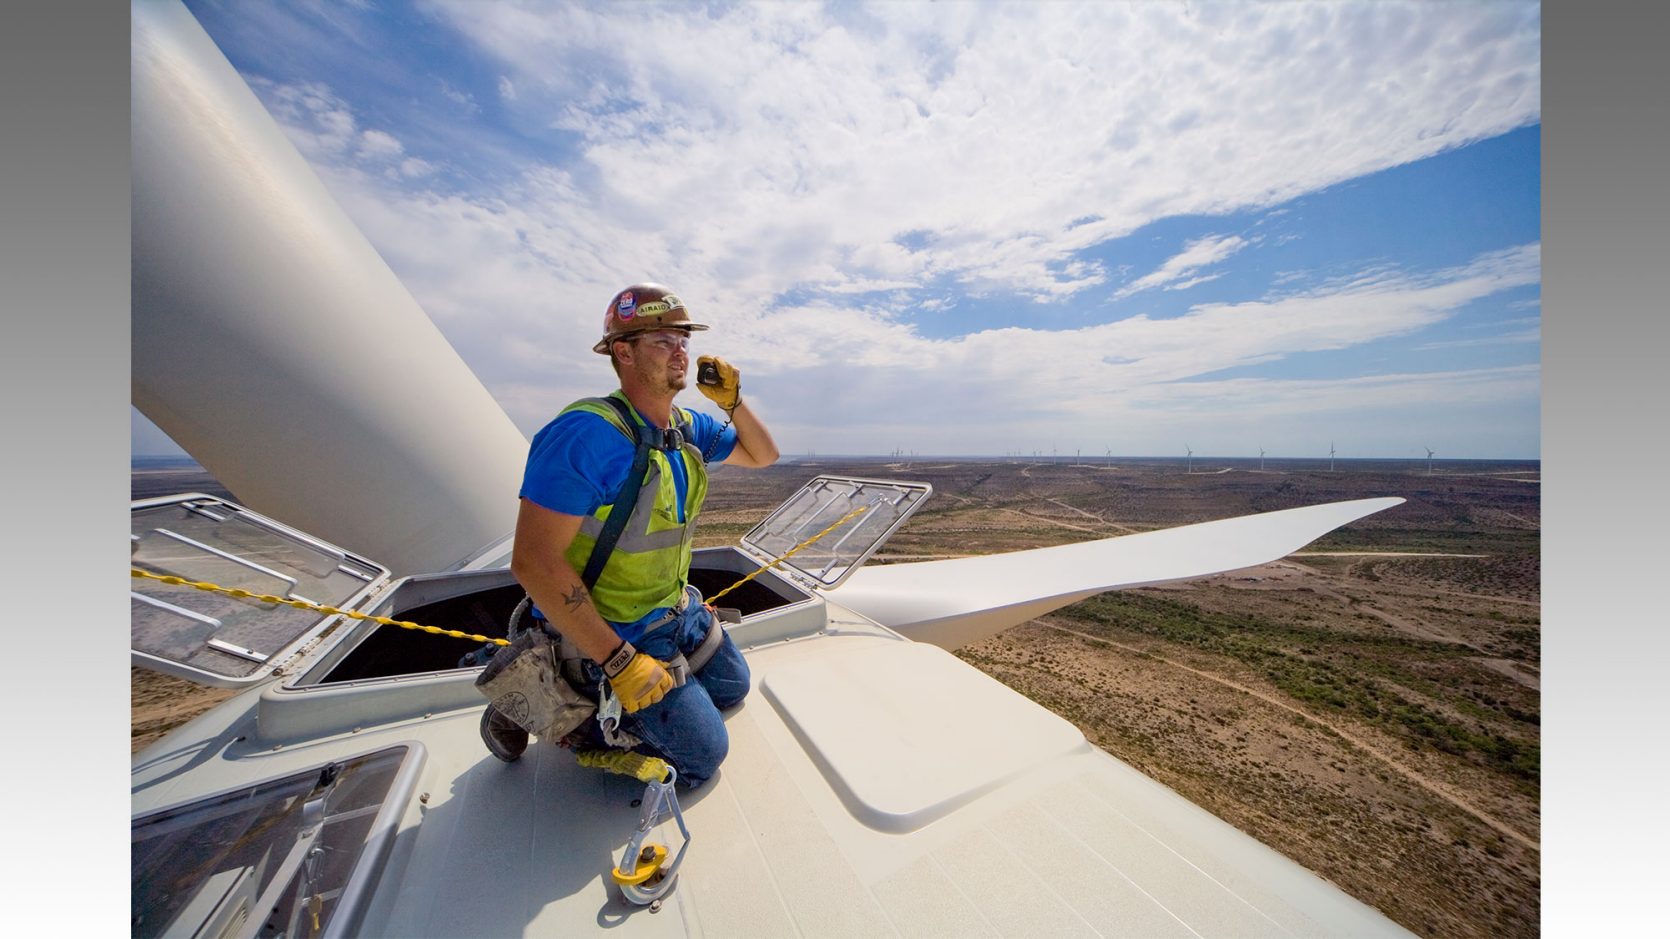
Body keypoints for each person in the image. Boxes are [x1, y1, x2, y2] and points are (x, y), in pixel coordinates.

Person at [486, 283, 779, 788]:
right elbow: (533, 562)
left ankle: (652, 681)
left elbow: (763, 455)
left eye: (683, 340)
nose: (681, 351)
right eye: (663, 341)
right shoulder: (587, 435)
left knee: (733, 687)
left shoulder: (685, 429)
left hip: (672, 613)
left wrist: (733, 403)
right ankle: (536, 704)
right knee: (702, 757)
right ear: (623, 352)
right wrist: (619, 662)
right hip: (613, 630)